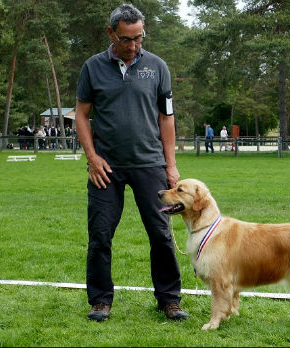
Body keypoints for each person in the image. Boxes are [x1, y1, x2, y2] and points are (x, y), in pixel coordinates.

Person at [75, 4, 188, 323]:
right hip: (105, 169)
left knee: (161, 234)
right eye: (126, 39)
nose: (133, 45)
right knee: (100, 234)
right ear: (111, 33)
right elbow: (81, 116)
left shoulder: (158, 67)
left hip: (150, 165)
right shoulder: (92, 67)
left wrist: (171, 164)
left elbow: (167, 118)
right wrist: (92, 157)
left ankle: (169, 300)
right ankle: (100, 300)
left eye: (139, 38)